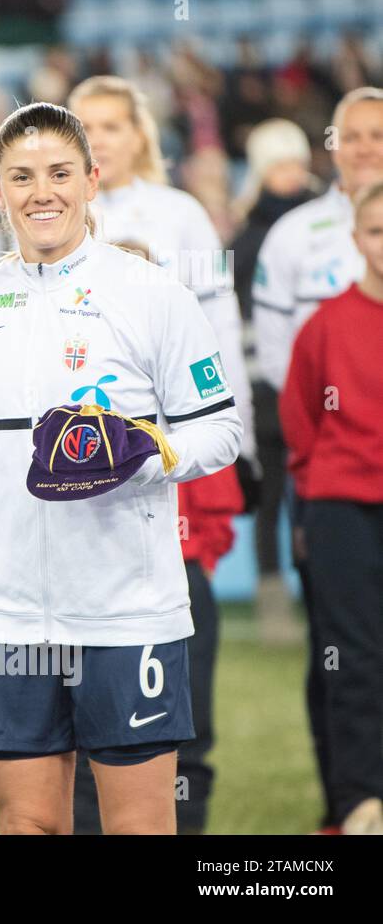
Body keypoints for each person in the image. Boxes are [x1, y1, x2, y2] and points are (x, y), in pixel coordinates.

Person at [0, 101, 242, 835]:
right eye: (21, 176)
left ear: (93, 178)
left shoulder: (151, 293)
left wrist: (146, 452)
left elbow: (221, 427)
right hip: (5, 611)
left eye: (59, 173)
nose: (40, 191)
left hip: (126, 609)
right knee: (28, 825)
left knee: (138, 828)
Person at [68, 75, 255, 833]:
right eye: (87, 125)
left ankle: (188, 806)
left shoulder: (179, 215)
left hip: (172, 454)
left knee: (184, 628)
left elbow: (218, 328)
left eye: (113, 124)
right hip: (80, 466)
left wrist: (226, 444)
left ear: (140, 132)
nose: (102, 137)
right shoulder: (57, 209)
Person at [254, 85, 383, 832]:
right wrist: (316, 467)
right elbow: (289, 384)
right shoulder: (296, 236)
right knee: (341, 654)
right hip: (331, 483)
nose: (366, 146)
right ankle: (350, 802)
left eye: (378, 135)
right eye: (354, 135)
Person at [280, 180, 383, 836]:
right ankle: (356, 803)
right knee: (350, 659)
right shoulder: (323, 325)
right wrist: (313, 511)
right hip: (343, 508)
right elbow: (302, 423)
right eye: (376, 231)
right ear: (354, 240)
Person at [229, 119, 317, 636]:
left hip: (324, 386)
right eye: (278, 164)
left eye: (295, 161)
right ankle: (273, 601)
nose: (290, 174)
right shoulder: (246, 238)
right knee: (270, 493)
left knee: (316, 490)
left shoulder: (331, 224)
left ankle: (322, 587)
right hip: (264, 385)